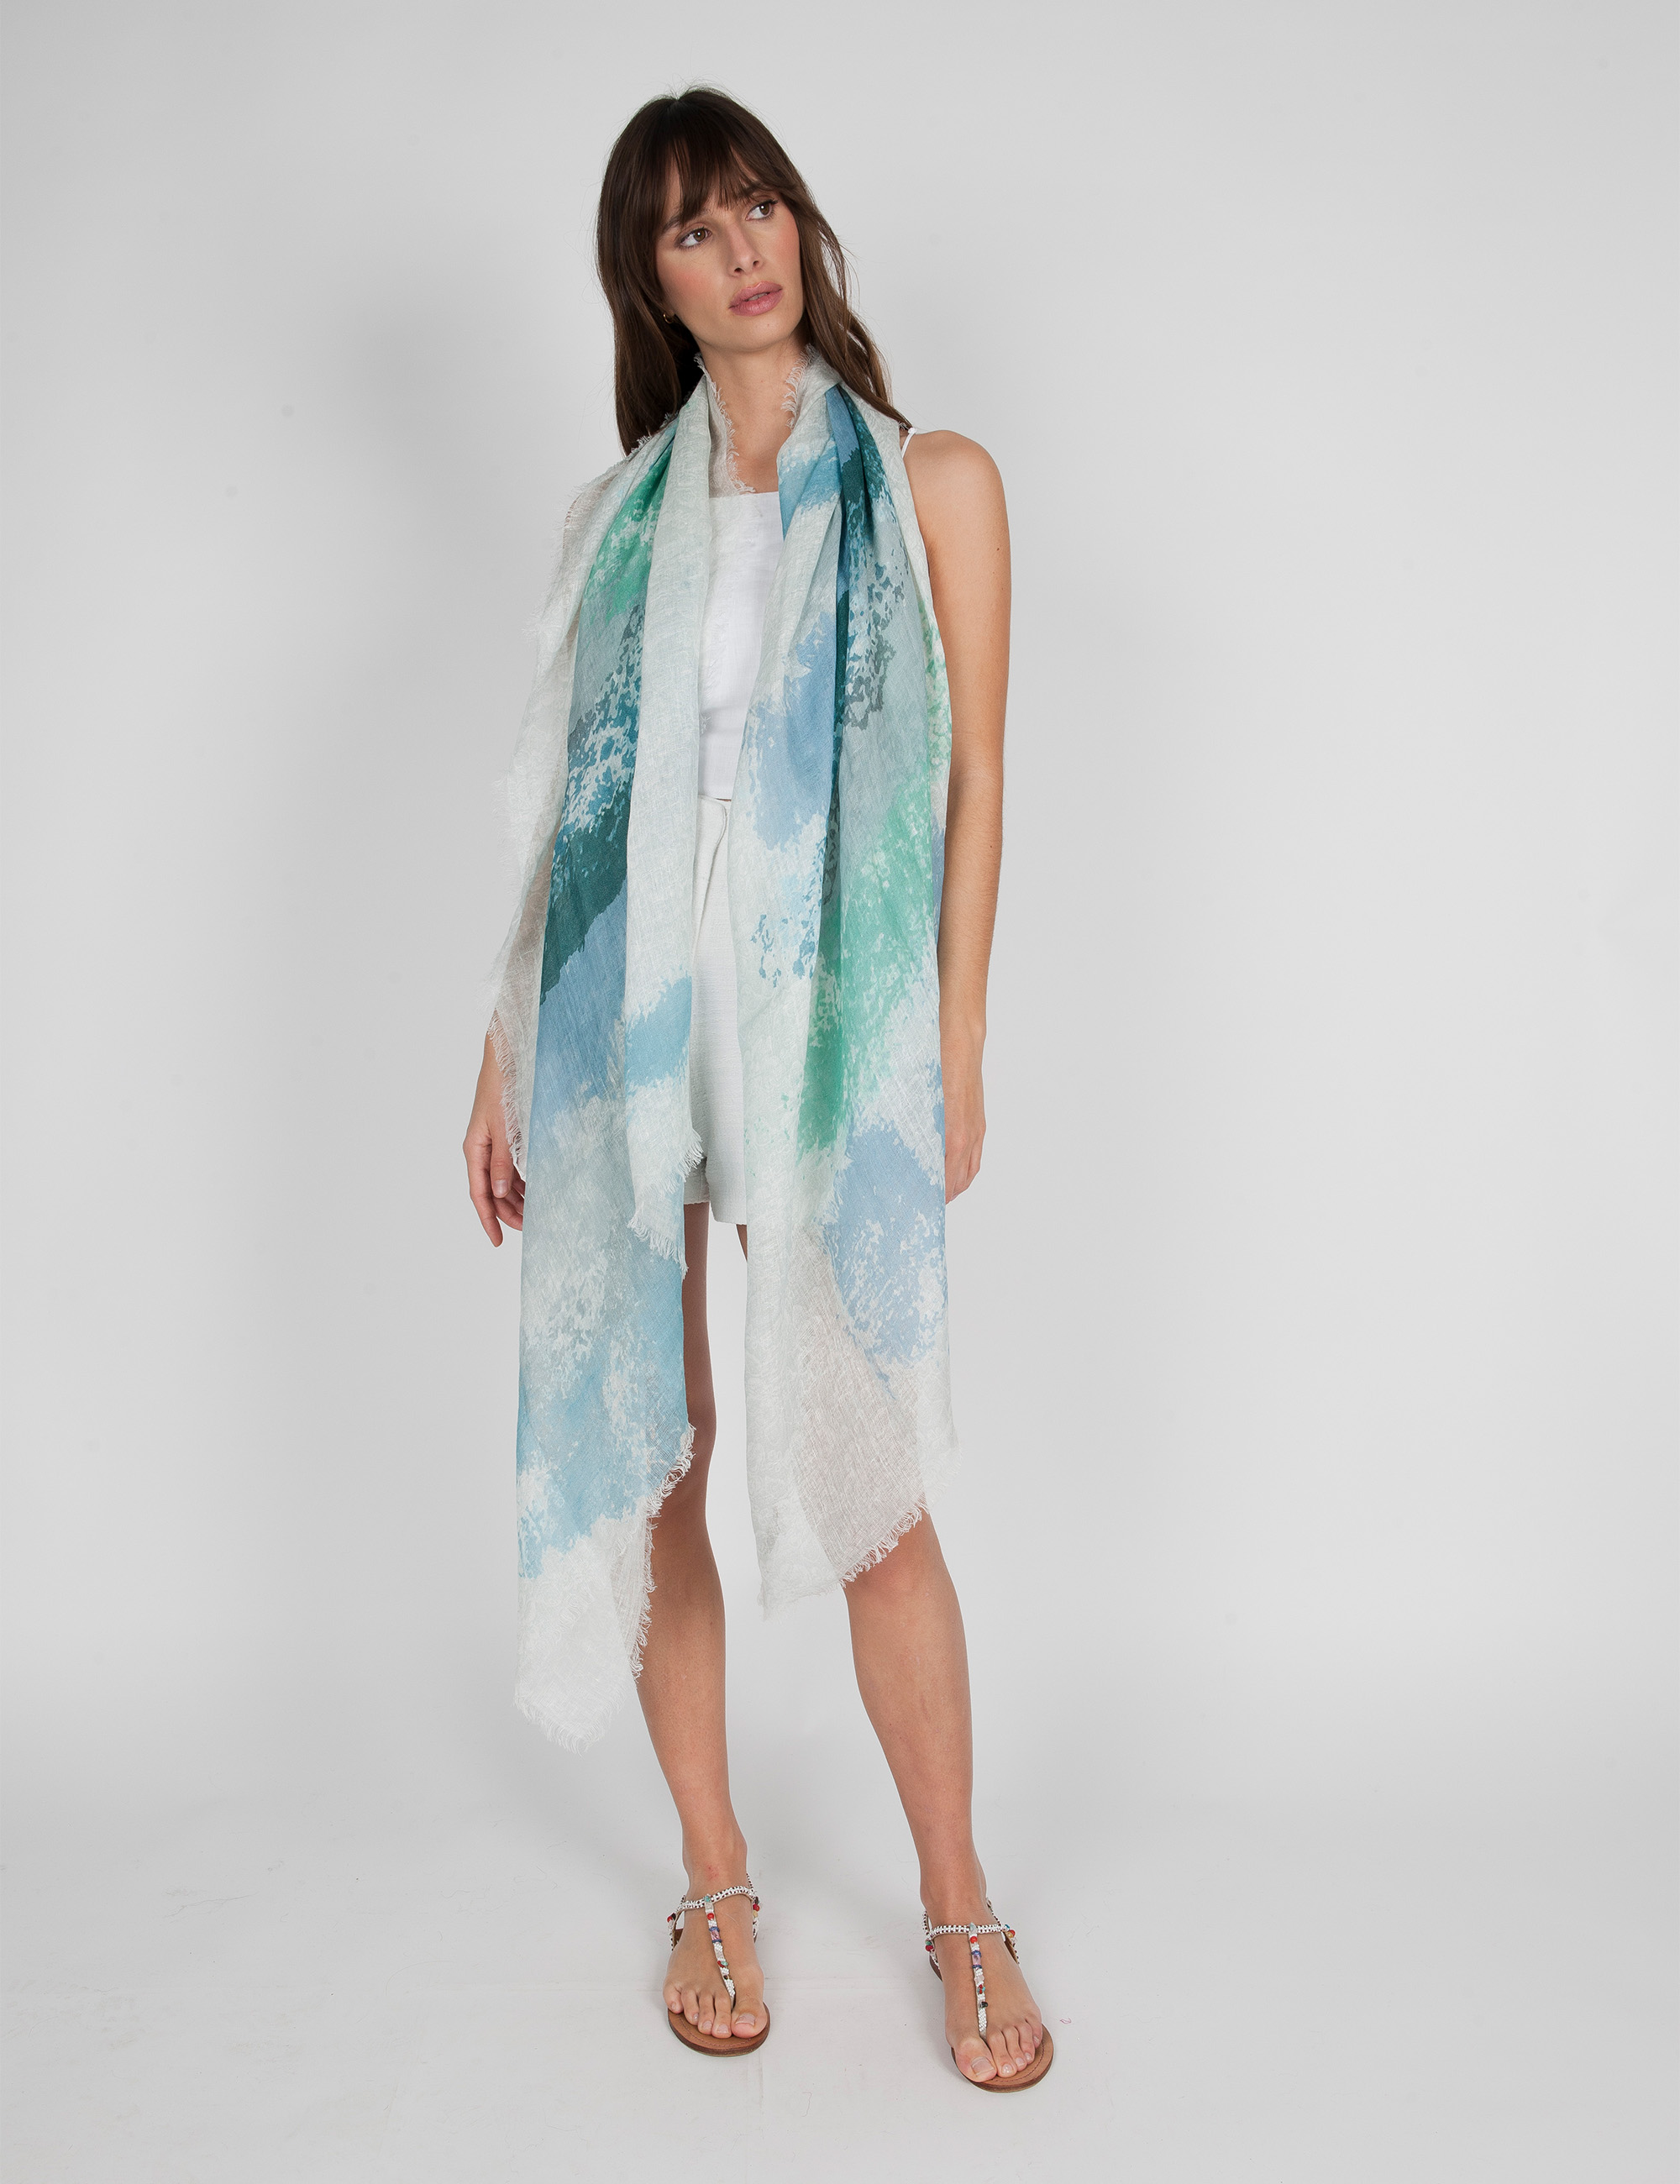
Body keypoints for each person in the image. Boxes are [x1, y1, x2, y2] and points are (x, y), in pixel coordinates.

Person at [462, 86, 1049, 2090]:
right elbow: (574, 812)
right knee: (659, 1454)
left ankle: (957, 1901)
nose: (744, 251)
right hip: (626, 1016)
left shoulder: (934, 480)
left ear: (800, 224)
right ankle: (712, 1875)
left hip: (824, 1018)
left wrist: (955, 1039)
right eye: (695, 230)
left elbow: (976, 783)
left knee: (866, 1478)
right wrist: (500, 1048)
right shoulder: (617, 517)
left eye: (761, 207)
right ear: (649, 280)